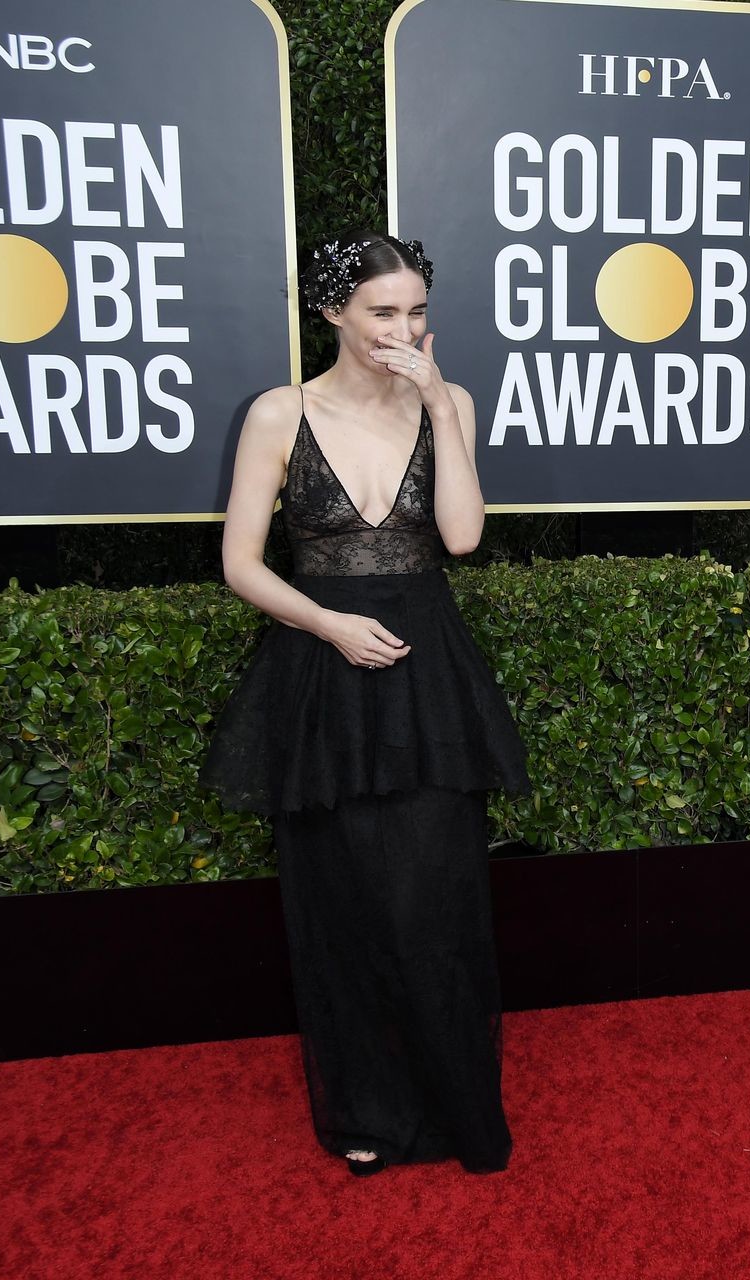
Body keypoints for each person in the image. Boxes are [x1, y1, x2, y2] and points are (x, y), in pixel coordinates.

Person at [202, 231, 527, 1176]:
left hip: (428, 673)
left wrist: (441, 404)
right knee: (340, 901)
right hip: (322, 672)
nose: (404, 330)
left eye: (417, 312)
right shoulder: (280, 413)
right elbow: (240, 564)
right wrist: (327, 623)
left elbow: (461, 538)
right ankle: (367, 1111)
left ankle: (458, 1104)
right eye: (383, 312)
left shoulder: (450, 401)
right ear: (332, 313)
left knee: (438, 897)